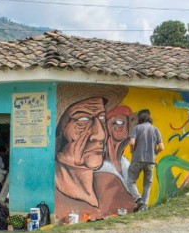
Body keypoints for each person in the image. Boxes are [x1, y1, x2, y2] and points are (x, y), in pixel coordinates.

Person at [55, 84, 135, 222]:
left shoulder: (112, 185)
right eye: (83, 121)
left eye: (102, 119)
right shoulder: (49, 195)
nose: (100, 135)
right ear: (60, 130)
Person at [128, 111, 164, 212]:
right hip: (151, 161)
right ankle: (144, 206)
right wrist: (155, 153)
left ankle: (138, 199)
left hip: (137, 159)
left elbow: (132, 142)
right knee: (147, 184)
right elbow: (162, 147)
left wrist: (132, 150)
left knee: (131, 181)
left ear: (140, 120)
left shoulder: (137, 128)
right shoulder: (156, 130)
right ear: (150, 121)